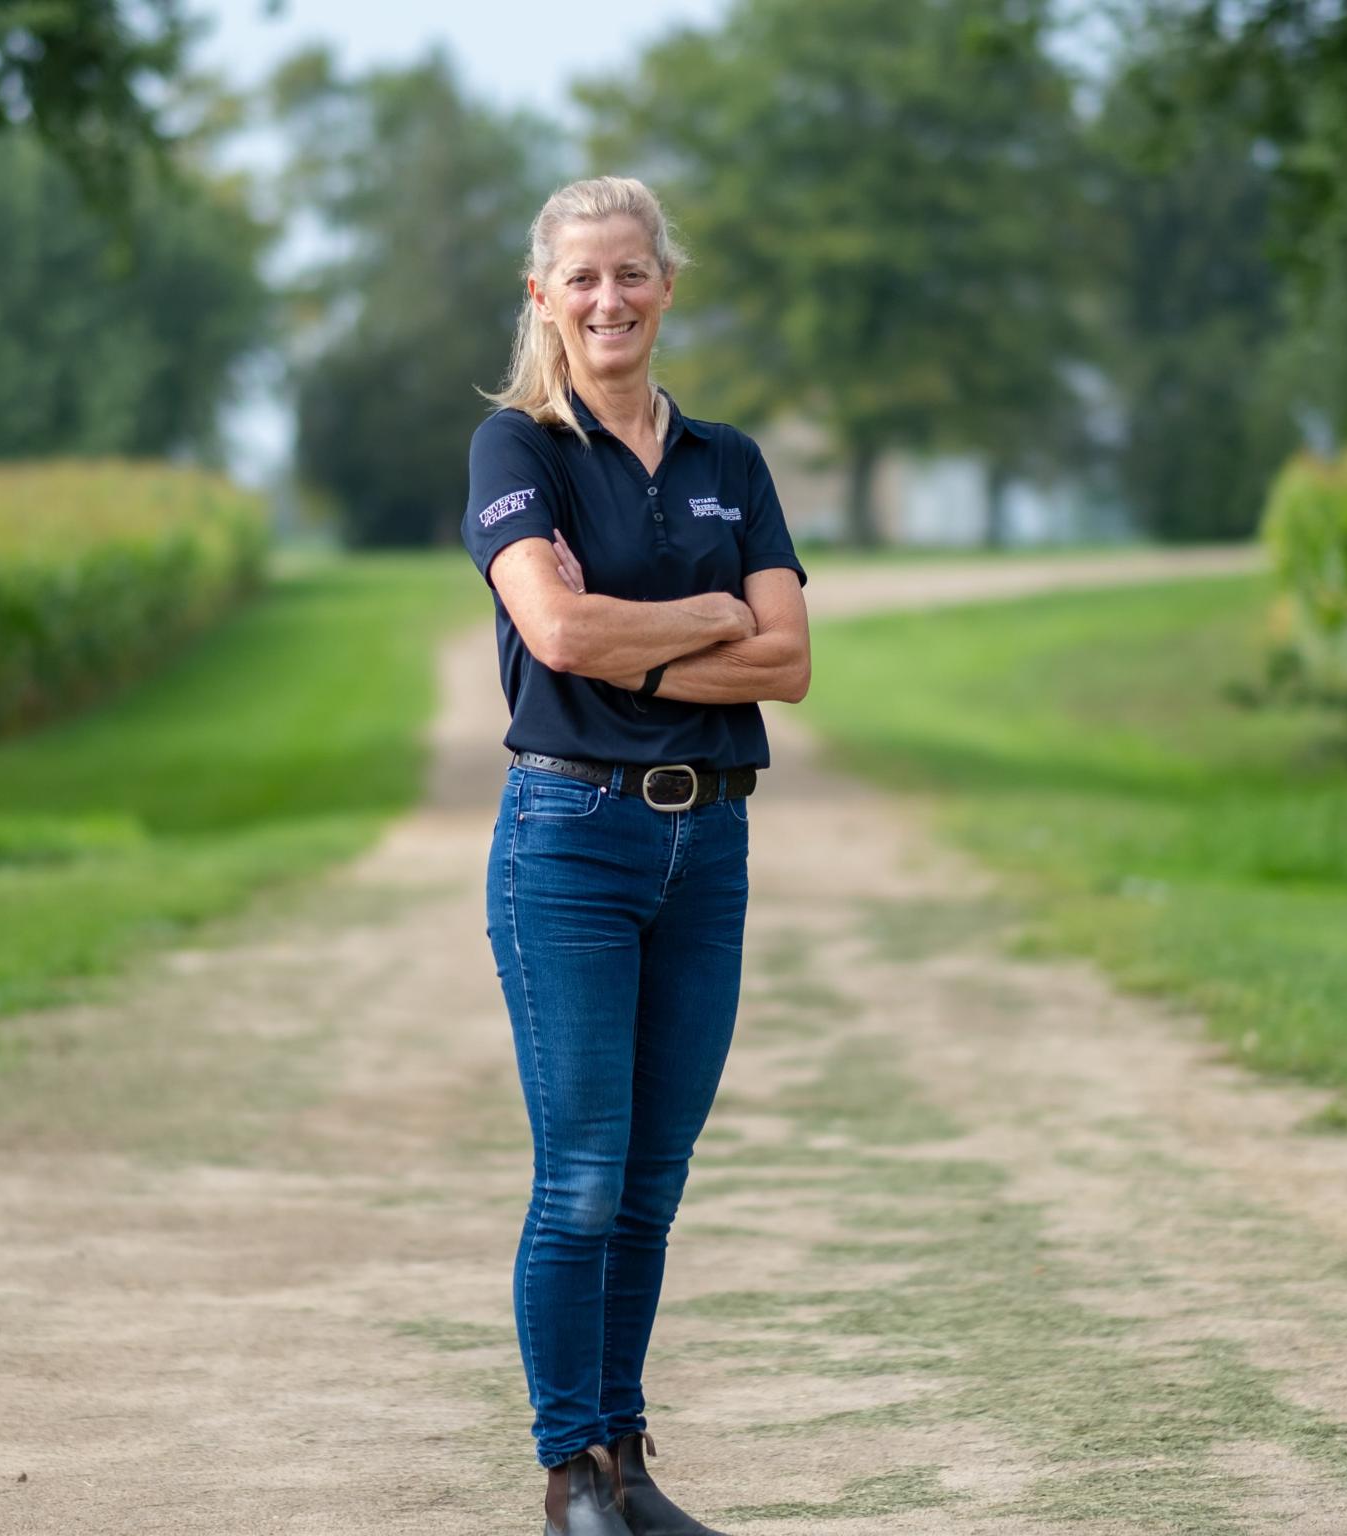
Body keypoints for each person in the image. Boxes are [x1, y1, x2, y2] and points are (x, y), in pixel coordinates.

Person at [460, 175, 810, 1536]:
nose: (610, 299)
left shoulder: (732, 462)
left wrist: (643, 626)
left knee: (652, 1186)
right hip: (570, 838)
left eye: (633, 274)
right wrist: (713, 616)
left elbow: (788, 664)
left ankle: (627, 1467)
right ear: (545, 297)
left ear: (667, 285)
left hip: (708, 847)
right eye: (582, 278)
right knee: (585, 1176)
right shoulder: (518, 453)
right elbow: (552, 635)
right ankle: (568, 1477)